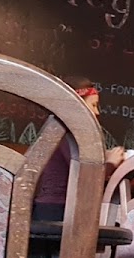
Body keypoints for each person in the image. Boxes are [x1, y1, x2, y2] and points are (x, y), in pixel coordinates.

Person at [33, 77, 124, 221]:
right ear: (78, 107)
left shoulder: (62, 133)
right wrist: (111, 164)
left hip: (55, 209)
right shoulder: (66, 135)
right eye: (93, 105)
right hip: (55, 212)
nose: (97, 112)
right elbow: (85, 179)